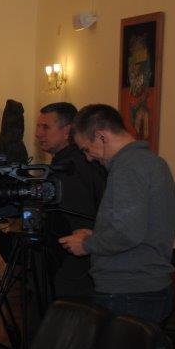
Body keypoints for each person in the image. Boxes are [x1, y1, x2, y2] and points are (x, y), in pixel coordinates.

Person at [58, 104, 175, 323]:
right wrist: (96, 235)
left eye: (86, 149)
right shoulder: (151, 162)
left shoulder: (128, 167)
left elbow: (126, 233)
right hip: (145, 287)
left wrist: (86, 244)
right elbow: (138, 227)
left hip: (129, 290)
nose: (88, 158)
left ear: (101, 136)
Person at [35, 102, 106, 299]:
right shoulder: (66, 161)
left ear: (67, 131)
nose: (38, 134)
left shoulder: (73, 167)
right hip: (68, 262)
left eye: (45, 127)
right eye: (38, 126)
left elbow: (78, 221)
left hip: (73, 265)